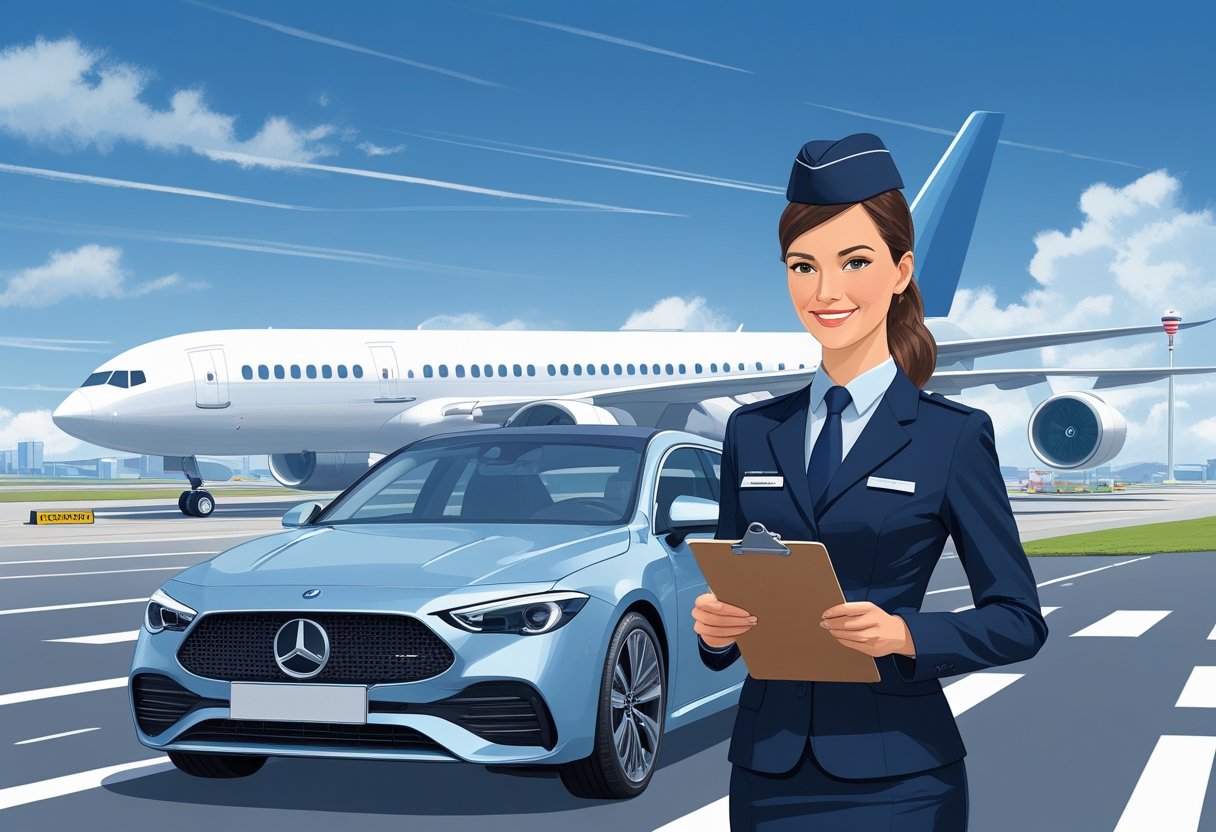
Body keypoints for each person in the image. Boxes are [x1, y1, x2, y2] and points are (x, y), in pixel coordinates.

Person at [690, 133, 1049, 831]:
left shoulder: (951, 436)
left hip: (902, 772)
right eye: (802, 266)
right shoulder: (751, 432)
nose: (825, 292)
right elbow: (732, 595)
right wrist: (714, 629)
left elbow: (1018, 621)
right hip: (768, 770)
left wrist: (904, 635)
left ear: (900, 270)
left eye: (854, 261)